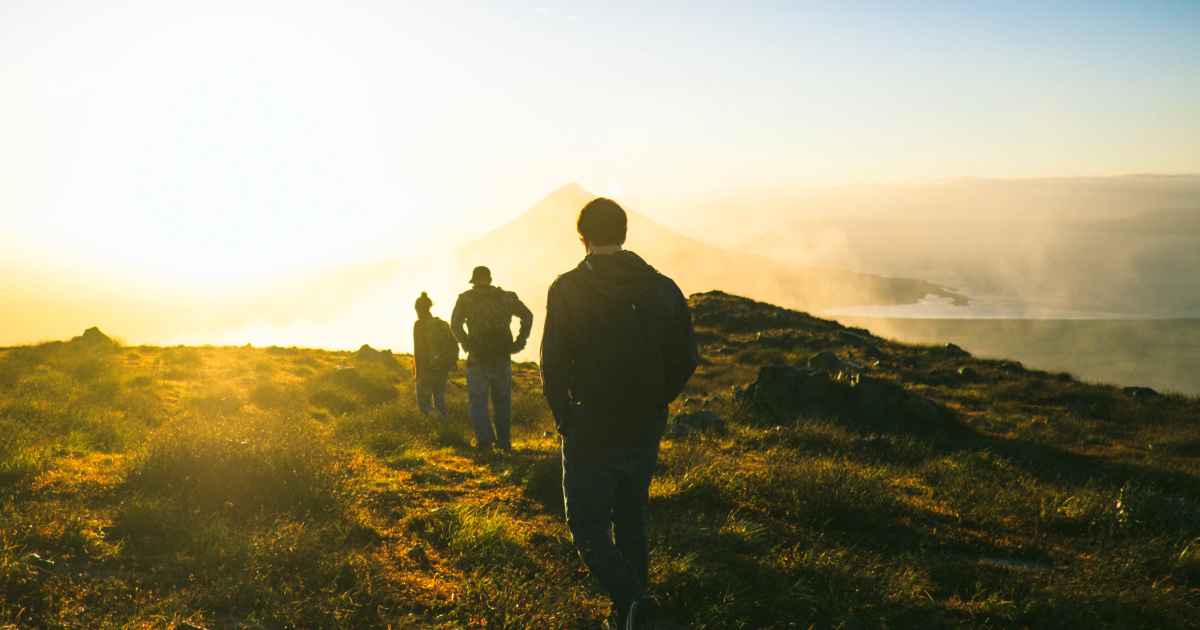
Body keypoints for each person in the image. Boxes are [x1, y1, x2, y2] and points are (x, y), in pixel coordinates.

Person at [541, 197, 699, 629]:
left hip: (589, 421)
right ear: (624, 233)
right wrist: (657, 400)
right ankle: (631, 613)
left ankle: (634, 601)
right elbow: (687, 356)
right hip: (643, 423)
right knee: (631, 518)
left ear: (582, 237)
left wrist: (565, 417)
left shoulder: (568, 289)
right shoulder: (662, 287)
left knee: (586, 527)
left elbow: (552, 364)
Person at [451, 266, 533, 451]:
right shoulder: (506, 297)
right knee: (502, 402)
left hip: (478, 357)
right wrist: (520, 342)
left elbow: (455, 325)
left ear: (474, 281)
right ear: (489, 279)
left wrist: (467, 344)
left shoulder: (466, 299)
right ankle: (504, 443)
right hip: (502, 356)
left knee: (478, 402)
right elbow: (527, 316)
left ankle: (485, 442)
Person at [412, 291, 457, 419]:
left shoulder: (419, 325)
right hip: (442, 368)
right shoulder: (442, 324)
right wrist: (451, 363)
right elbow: (454, 343)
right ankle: (445, 426)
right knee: (440, 401)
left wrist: (418, 374)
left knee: (423, 404)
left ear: (418, 309)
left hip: (426, 369)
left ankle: (438, 419)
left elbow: (418, 350)